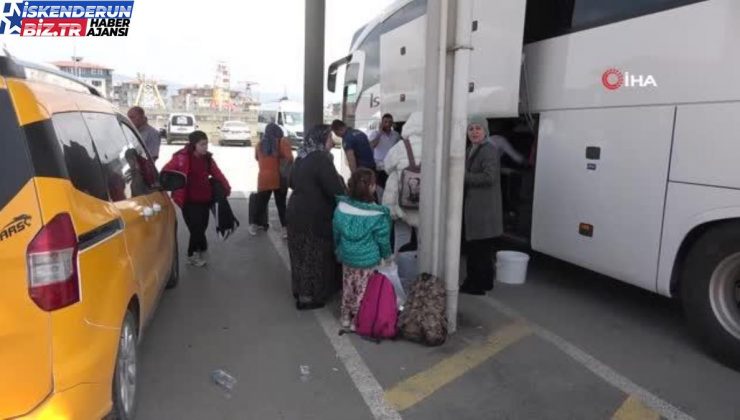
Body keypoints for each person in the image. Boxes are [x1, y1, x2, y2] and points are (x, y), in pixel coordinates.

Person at [287, 125, 346, 310]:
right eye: (329, 137)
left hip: (296, 211)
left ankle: (301, 291)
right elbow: (334, 189)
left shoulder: (302, 156)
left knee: (299, 253)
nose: (332, 141)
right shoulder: (321, 159)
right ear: (322, 139)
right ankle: (311, 296)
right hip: (315, 214)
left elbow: (290, 181)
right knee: (316, 254)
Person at [333, 168, 392, 329]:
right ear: (372, 187)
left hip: (347, 256)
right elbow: (383, 240)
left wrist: (338, 249)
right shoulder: (377, 215)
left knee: (348, 284)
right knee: (363, 290)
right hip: (367, 260)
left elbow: (336, 233)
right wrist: (387, 257)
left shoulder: (341, 208)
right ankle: (356, 320)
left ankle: (345, 315)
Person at [163, 131, 231, 267]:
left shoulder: (207, 159)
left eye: (206, 144)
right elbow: (166, 172)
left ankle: (200, 245)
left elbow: (218, 174)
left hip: (204, 200)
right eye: (202, 144)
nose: (206, 147)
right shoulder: (181, 157)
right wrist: (170, 186)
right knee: (196, 228)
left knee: (202, 226)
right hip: (188, 201)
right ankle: (191, 255)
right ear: (194, 145)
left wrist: (226, 188)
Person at [460, 116, 503, 295]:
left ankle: (475, 285)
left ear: (485, 131)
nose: (475, 132)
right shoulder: (473, 149)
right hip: (478, 208)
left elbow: (489, 177)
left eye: (478, 128)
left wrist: (463, 176)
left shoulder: (488, 150)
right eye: (471, 129)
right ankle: (484, 282)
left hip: (483, 210)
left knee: (478, 249)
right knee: (480, 249)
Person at [383, 111, 423, 250]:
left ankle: (400, 265)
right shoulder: (434, 146)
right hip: (424, 202)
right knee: (423, 239)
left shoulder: (401, 146)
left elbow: (387, 167)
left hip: (402, 202)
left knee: (402, 236)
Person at [251, 122, 293, 238]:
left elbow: (256, 158)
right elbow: (290, 158)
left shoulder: (259, 144)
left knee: (261, 203)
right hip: (279, 178)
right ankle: (285, 230)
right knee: (281, 205)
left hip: (264, 178)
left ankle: (254, 225)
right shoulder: (281, 142)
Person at [368, 113, 400, 188]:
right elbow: (372, 145)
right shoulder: (375, 133)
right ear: (381, 123)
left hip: (391, 165)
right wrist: (379, 134)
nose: (388, 124)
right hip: (379, 166)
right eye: (385, 122)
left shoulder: (396, 135)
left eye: (390, 122)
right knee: (380, 188)